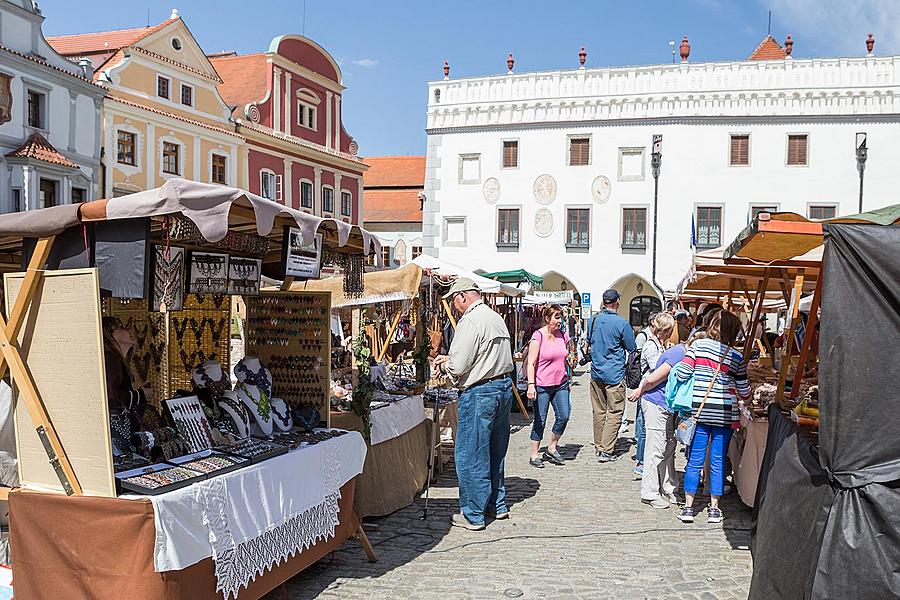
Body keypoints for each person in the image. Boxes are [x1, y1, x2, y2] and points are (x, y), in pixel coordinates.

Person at [432, 278, 514, 531]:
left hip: (481, 392)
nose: (455, 307)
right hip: (502, 387)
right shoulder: (494, 317)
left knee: (471, 453)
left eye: (454, 301)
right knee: (494, 451)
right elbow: (481, 354)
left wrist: (445, 363)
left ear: (463, 297)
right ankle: (496, 505)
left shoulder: (470, 320)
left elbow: (458, 366)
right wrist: (453, 358)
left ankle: (473, 513)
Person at [673, 311, 751, 524]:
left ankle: (688, 508)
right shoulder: (736, 357)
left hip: (699, 410)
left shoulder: (697, 347)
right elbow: (745, 392)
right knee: (717, 461)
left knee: (695, 459)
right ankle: (714, 509)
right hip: (725, 413)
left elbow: (683, 373)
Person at [628, 313, 680, 508]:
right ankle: (649, 492)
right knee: (654, 448)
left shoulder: (662, 345)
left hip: (662, 401)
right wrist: (640, 390)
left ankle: (668, 487)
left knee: (667, 447)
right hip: (654, 400)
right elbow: (654, 374)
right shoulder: (651, 345)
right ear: (667, 330)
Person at [586, 289, 636, 462]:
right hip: (614, 373)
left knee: (599, 411)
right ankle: (606, 450)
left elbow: (589, 341)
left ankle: (599, 445)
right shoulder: (622, 323)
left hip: (596, 372)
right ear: (617, 302)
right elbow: (631, 348)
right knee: (615, 412)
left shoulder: (593, 320)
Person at [525, 305, 573, 468]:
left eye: (561, 317)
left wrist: (570, 378)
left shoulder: (563, 336)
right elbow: (531, 363)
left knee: (564, 415)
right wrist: (531, 385)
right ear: (547, 319)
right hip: (542, 385)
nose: (560, 321)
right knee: (540, 420)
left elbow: (567, 359)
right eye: (557, 317)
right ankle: (534, 454)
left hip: (561, 384)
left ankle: (552, 447)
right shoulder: (538, 336)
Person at [101, 317, 158, 452]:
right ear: (111, 334)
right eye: (121, 326)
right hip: (117, 430)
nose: (128, 330)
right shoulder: (111, 359)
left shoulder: (115, 359)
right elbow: (110, 397)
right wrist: (140, 395)